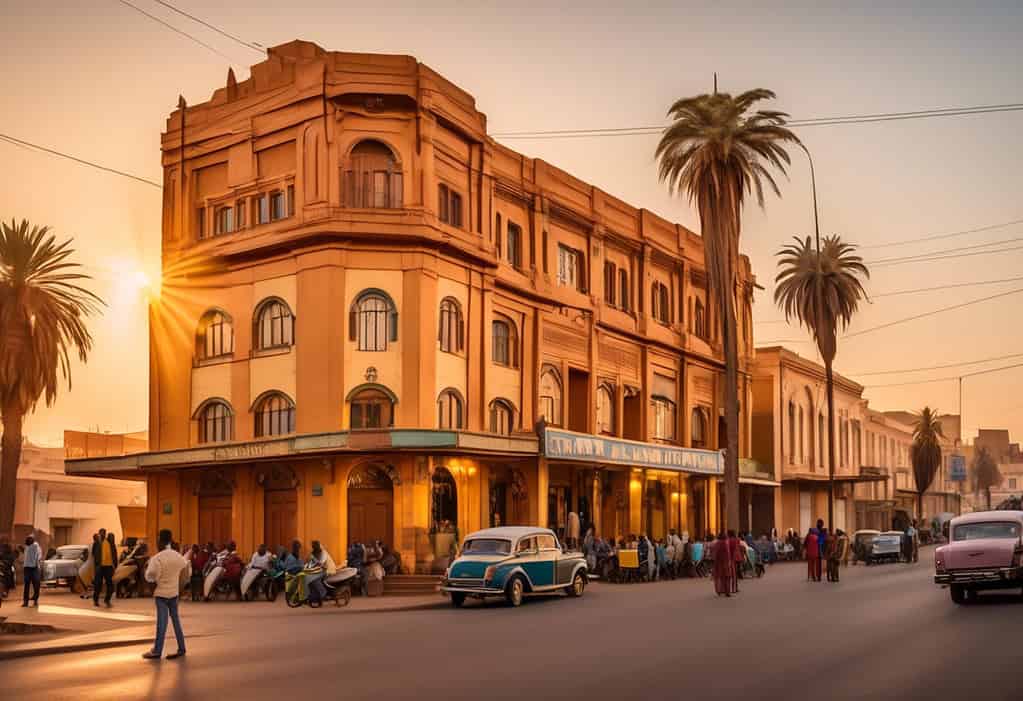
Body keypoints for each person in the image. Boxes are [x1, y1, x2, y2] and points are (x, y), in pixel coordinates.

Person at [143, 529, 188, 661]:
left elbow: (150, 576)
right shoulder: (177, 556)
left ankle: (157, 651)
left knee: (161, 623)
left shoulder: (157, 558)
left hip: (161, 594)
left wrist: (148, 576)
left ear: (161, 541)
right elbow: (185, 567)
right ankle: (181, 648)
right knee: (176, 621)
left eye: (158, 539)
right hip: (174, 593)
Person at [93, 532, 118, 607]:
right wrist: (97, 565)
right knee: (98, 584)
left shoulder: (111, 544)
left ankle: (107, 600)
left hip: (109, 567)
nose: (103, 535)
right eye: (101, 533)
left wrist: (115, 566)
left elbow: (114, 555)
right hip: (100, 567)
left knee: (110, 585)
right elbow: (93, 554)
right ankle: (96, 600)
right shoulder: (97, 543)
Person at [22, 536, 43, 607]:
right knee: (26, 585)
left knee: (36, 584)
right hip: (27, 568)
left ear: (32, 542)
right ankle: (25, 601)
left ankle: (35, 599)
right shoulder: (27, 547)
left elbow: (39, 555)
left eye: (28, 542)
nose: (27, 544)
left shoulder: (35, 545)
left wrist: (38, 560)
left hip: (35, 568)